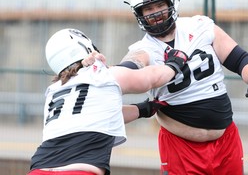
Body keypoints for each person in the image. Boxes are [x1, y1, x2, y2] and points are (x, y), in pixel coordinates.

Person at [118, 0, 248, 174]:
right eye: (148, 9)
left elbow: (239, 58)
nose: (155, 13)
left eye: (159, 5)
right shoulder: (143, 49)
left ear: (171, 3)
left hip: (226, 141)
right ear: (140, 15)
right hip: (181, 147)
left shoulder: (200, 26)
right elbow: (127, 70)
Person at [27, 28, 188, 175]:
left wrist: (142, 109)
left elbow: (96, 115)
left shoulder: (54, 90)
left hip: (39, 167)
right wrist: (174, 63)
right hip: (79, 170)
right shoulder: (103, 75)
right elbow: (150, 79)